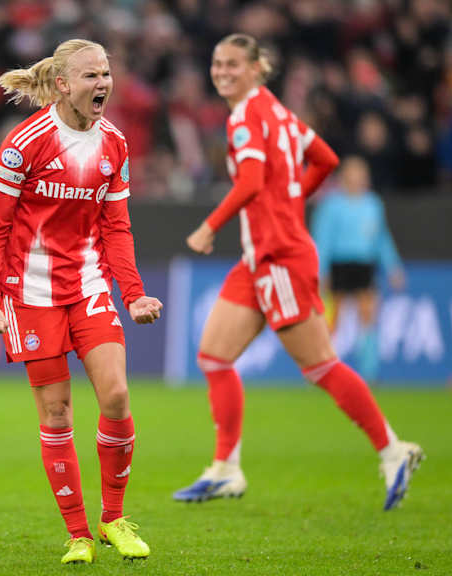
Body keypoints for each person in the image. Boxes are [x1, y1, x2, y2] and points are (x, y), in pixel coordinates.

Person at [174, 34, 423, 511]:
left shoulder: (246, 115)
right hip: (261, 257)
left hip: (280, 257)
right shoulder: (281, 113)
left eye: (232, 64)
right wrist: (289, 200)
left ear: (255, 68)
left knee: (320, 366)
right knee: (214, 356)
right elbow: (325, 160)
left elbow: (249, 181)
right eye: (216, 63)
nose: (222, 71)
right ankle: (226, 468)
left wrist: (208, 227)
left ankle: (393, 449)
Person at [0, 39, 163, 564]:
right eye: (90, 76)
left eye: (106, 73)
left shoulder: (115, 145)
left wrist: (132, 293)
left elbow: (117, 227)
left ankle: (114, 519)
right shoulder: (25, 143)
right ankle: (79, 533)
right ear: (63, 84)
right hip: (30, 295)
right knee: (57, 414)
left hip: (86, 288)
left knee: (117, 396)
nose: (102, 83)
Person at [311, 155, 405, 383]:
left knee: (369, 317)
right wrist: (320, 271)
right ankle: (320, 368)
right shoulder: (331, 205)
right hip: (339, 267)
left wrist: (393, 267)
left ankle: (369, 372)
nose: (358, 177)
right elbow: (321, 240)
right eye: (354, 172)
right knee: (333, 319)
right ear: (344, 176)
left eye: (362, 173)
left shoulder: (373, 204)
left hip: (364, 266)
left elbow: (381, 238)